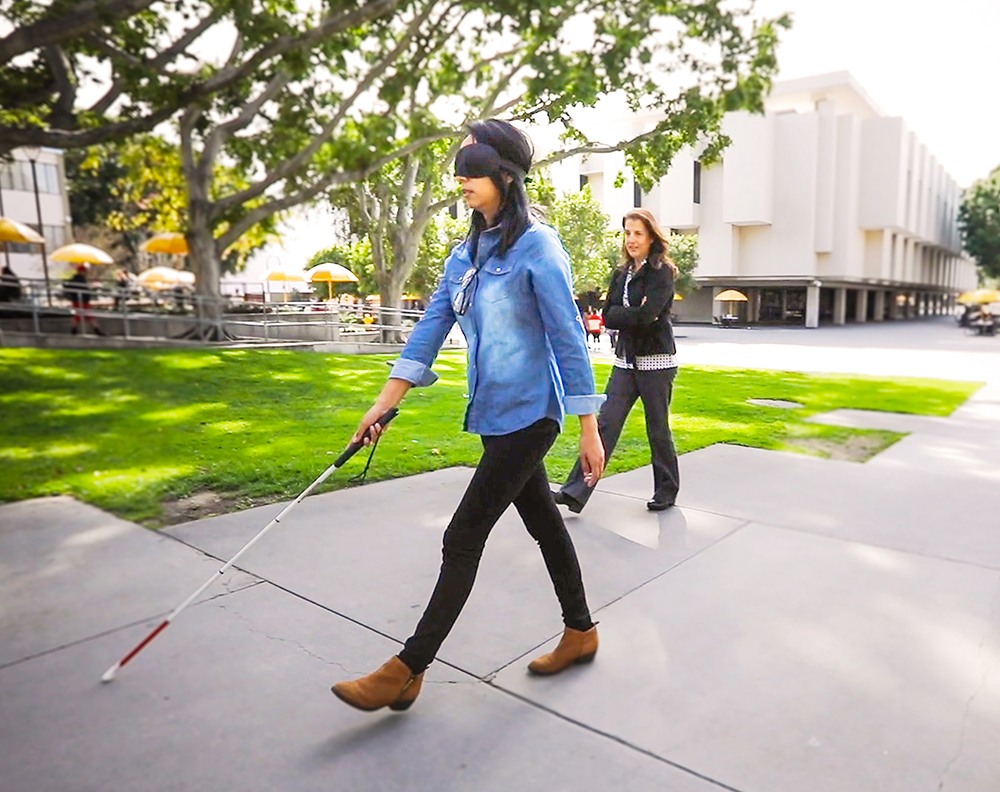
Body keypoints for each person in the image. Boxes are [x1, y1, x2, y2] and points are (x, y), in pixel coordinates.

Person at [331, 119, 606, 713]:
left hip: (533, 418)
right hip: (495, 417)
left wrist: (588, 425)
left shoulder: (540, 247)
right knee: (545, 524)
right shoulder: (465, 255)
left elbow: (568, 338)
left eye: (472, 168)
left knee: (461, 538)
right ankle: (581, 631)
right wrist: (386, 400)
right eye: (458, 168)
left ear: (505, 174)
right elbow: (430, 327)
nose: (461, 178)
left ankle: (406, 668)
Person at [554, 208, 680, 513]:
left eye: (638, 233)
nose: (632, 239)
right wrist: (633, 315)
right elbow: (608, 314)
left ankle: (666, 490)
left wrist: (631, 315)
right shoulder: (621, 274)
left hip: (657, 363)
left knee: (658, 429)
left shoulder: (662, 272)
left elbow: (650, 316)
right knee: (603, 425)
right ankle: (575, 491)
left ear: (651, 237)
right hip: (625, 361)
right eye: (627, 233)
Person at [63, 263, 104, 335]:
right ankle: (96, 330)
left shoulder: (76, 279)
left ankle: (74, 330)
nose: (86, 273)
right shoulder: (79, 279)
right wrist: (91, 286)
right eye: (85, 271)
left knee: (79, 315)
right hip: (81, 301)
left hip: (79, 300)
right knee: (87, 315)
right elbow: (83, 288)